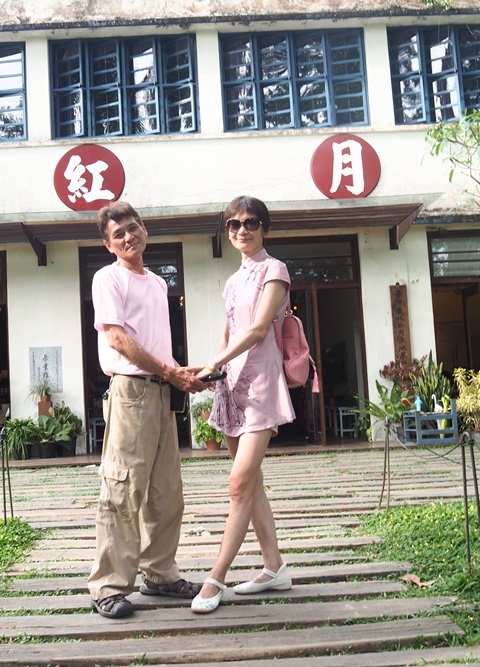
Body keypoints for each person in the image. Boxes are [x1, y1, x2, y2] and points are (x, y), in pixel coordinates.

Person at [87, 201, 207, 619]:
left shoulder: (157, 283)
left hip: (161, 392)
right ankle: (108, 585)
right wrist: (170, 373)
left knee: (166, 491)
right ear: (108, 245)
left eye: (132, 227)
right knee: (123, 489)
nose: (128, 237)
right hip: (131, 393)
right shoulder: (108, 278)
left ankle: (159, 573)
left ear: (145, 230)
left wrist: (182, 372)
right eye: (118, 234)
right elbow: (118, 340)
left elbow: (156, 345)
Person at [190, 195, 295, 614]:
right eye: (233, 224)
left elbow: (256, 331)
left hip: (262, 384)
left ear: (264, 227)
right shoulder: (233, 281)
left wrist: (215, 362)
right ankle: (275, 567)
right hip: (231, 385)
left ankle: (215, 578)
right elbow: (229, 332)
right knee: (251, 484)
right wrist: (211, 369)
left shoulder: (275, 270)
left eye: (251, 222)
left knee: (238, 484)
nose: (242, 230)